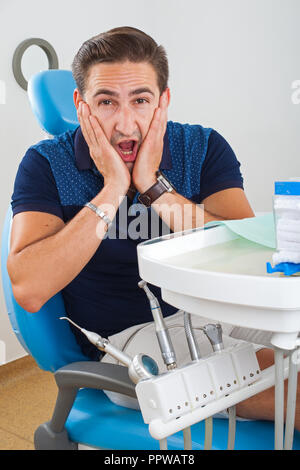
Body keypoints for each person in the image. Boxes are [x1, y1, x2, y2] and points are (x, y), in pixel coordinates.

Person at [7, 26, 299, 428]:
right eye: (106, 102)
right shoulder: (46, 164)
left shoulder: (201, 147)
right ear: (81, 105)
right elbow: (30, 289)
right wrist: (112, 189)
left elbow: (247, 254)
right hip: (129, 340)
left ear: (163, 101)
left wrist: (152, 187)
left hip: (220, 312)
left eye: (140, 100)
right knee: (293, 390)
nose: (126, 124)